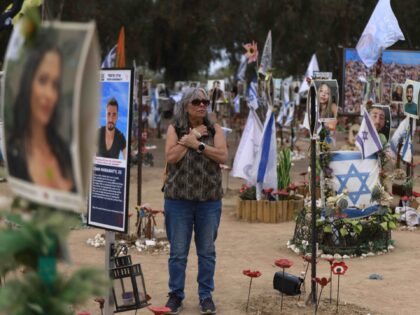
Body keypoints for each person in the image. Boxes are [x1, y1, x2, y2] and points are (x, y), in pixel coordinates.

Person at [163, 87, 228, 315]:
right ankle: (176, 295)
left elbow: (222, 155)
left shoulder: (215, 129)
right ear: (186, 105)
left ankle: (206, 296)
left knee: (207, 252)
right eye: (196, 102)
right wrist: (189, 139)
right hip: (178, 201)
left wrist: (199, 144)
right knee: (178, 252)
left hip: (208, 201)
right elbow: (170, 157)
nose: (202, 105)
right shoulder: (175, 128)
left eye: (205, 102)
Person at [6, 42, 75, 191]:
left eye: (55, 85)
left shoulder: (64, 150)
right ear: (28, 83)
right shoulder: (14, 153)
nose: (49, 94)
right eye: (43, 80)